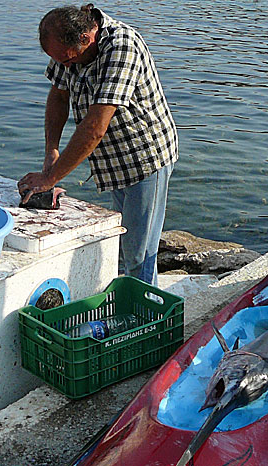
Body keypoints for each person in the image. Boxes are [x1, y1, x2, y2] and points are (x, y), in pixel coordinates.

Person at [18, 4, 178, 286]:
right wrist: (51, 151)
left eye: (68, 61)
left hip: (145, 157)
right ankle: (136, 297)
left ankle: (145, 314)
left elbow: (95, 128)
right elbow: (58, 96)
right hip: (113, 161)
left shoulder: (122, 46)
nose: (65, 66)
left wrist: (51, 178)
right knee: (127, 241)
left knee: (139, 252)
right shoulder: (66, 48)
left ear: (85, 39)